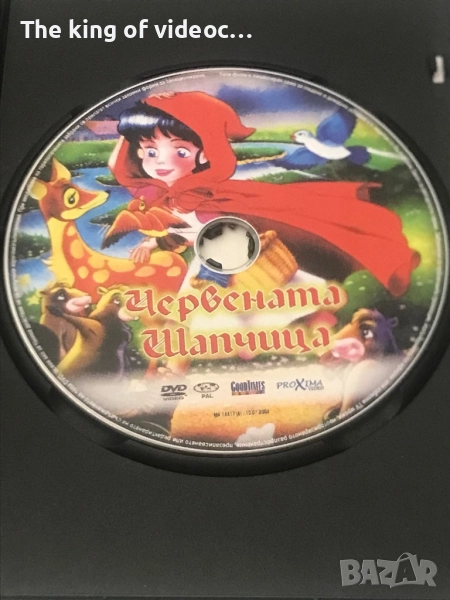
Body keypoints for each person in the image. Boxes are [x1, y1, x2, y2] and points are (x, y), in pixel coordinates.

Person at [106, 90, 420, 297]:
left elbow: (198, 230)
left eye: (180, 152)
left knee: (223, 306)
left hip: (247, 267)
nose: (160, 162)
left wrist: (159, 240)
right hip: (228, 265)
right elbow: (118, 168)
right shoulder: (161, 193)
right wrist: (142, 111)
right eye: (149, 151)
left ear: (204, 154)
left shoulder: (205, 196)